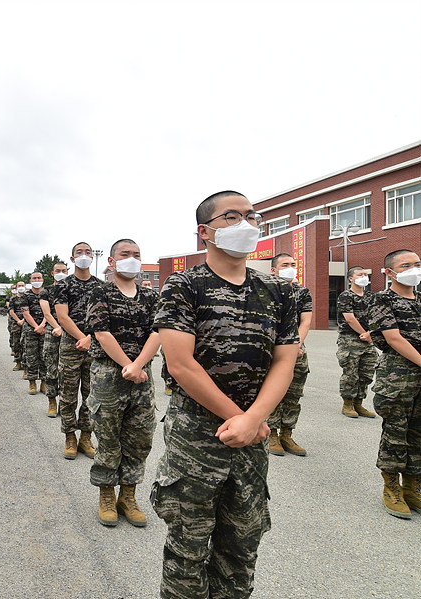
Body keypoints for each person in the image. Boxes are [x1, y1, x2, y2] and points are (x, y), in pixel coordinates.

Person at [152, 190, 299, 599]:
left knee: (241, 549)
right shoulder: (182, 286)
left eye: (251, 216)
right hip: (197, 435)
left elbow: (284, 362)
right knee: (188, 549)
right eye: (232, 217)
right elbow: (181, 365)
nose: (246, 225)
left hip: (252, 436)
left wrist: (254, 419)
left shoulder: (279, 290)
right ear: (205, 232)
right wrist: (244, 418)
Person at [87, 239, 160, 527]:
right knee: (108, 436)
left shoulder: (151, 297)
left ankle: (128, 496)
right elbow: (101, 332)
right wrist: (126, 365)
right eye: (125, 254)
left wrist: (138, 365)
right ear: (111, 261)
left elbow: (158, 332)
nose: (132, 259)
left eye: (137, 255)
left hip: (142, 377)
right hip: (108, 373)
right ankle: (107, 495)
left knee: (139, 438)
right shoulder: (100, 292)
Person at [366, 249, 421, 520]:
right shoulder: (381, 300)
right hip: (397, 377)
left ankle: (413, 486)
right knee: (396, 433)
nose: (414, 269)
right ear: (389, 272)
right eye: (406, 265)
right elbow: (394, 339)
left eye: (418, 264)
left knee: (419, 434)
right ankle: (391, 487)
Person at [55, 242, 101, 459]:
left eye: (88, 252)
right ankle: (70, 436)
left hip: (95, 346)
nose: (84, 256)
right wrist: (82, 338)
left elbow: (104, 318)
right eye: (79, 253)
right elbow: (62, 317)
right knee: (68, 394)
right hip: (71, 346)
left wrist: (91, 338)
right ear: (72, 259)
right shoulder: (63, 285)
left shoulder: (101, 286)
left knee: (92, 394)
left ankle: (86, 436)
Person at [267, 253, 313, 457]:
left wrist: (295, 346)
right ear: (273, 270)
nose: (290, 267)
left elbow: (305, 321)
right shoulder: (264, 290)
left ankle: (287, 433)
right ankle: (272, 434)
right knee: (272, 393)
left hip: (297, 350)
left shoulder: (302, 292)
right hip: (270, 350)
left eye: (293, 264)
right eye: (285, 264)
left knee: (293, 394)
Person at [336, 266, 377, 418]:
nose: (364, 276)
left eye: (365, 274)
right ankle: (347, 404)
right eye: (360, 274)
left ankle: (359, 404)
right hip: (350, 340)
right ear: (351, 279)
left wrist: (371, 335)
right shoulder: (346, 296)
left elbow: (376, 316)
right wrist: (364, 334)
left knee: (366, 373)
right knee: (350, 374)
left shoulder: (371, 297)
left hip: (368, 339)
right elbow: (350, 318)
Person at [39, 262, 68, 417]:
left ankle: (65, 404)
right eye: (58, 271)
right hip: (52, 329)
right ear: (52, 273)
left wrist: (64, 328)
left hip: (69, 331)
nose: (61, 273)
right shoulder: (46, 291)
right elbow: (47, 313)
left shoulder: (72, 288)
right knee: (51, 366)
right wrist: (57, 327)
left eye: (64, 270)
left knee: (68, 371)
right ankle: (52, 400)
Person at [21, 273, 47, 395]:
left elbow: (50, 312)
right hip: (31, 330)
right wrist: (36, 327)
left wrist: (42, 325)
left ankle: (44, 381)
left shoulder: (47, 294)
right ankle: (32, 382)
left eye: (39, 278)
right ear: (30, 281)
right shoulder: (26, 295)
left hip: (45, 328)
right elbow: (26, 313)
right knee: (31, 356)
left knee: (45, 356)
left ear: (43, 280)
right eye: (34, 278)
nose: (37, 280)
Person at [9, 283, 26, 373]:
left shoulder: (28, 297)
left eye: (22, 285)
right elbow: (11, 311)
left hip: (27, 322)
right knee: (16, 343)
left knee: (26, 344)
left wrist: (23, 320)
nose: (21, 287)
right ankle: (18, 362)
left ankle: (26, 364)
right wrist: (18, 320)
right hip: (16, 323)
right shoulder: (13, 298)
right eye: (19, 286)